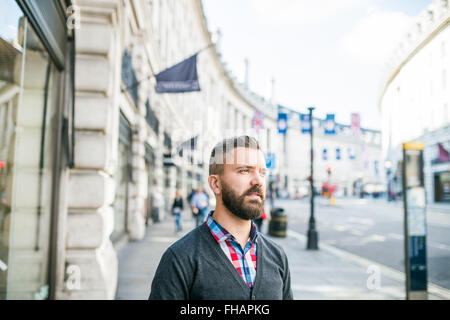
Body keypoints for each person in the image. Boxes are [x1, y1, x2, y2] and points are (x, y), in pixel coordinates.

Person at [149, 135, 293, 300]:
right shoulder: (180, 258)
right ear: (215, 184)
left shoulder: (277, 255)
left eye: (262, 172)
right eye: (244, 170)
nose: (258, 180)